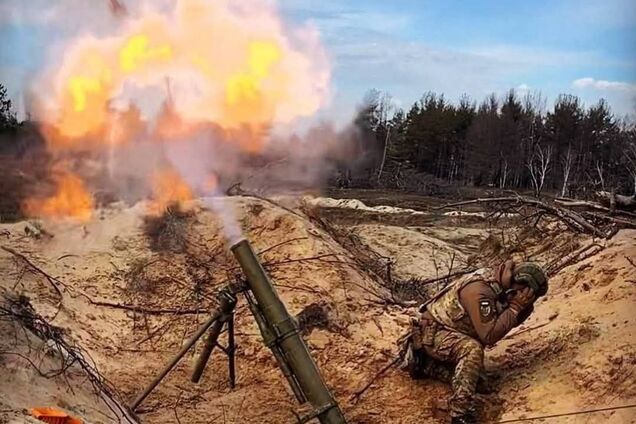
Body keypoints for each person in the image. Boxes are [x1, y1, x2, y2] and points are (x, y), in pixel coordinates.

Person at [401, 261, 548, 424]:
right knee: (472, 350)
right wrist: (515, 308)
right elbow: (489, 336)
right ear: (516, 285)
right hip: (433, 334)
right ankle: (459, 413)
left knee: (479, 383)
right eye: (523, 293)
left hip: (453, 332)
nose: (525, 298)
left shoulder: (501, 286)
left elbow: (504, 323)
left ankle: (427, 366)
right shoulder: (481, 290)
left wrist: (520, 308)